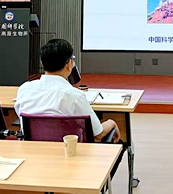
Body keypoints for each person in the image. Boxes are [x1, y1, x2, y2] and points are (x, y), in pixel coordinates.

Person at [14, 39, 124, 176]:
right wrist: (112, 123)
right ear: (69, 64)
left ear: (42, 63)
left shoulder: (24, 89)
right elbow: (98, 134)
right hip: (70, 158)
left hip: (34, 157)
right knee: (120, 144)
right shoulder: (74, 96)